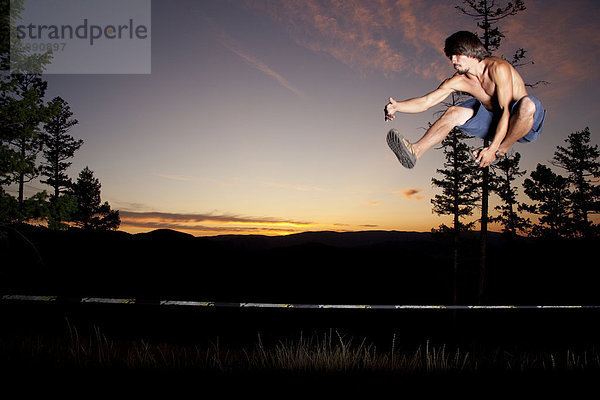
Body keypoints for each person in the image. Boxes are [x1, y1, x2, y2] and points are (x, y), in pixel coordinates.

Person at [384, 30, 546, 169]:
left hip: (523, 124)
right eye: (450, 56)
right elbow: (426, 101)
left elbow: (506, 113)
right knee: (453, 113)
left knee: (527, 105)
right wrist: (398, 106)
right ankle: (416, 151)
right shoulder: (458, 81)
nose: (453, 60)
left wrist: (494, 149)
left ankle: (501, 151)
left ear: (470, 51)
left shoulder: (498, 68)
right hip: (494, 123)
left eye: (457, 55)